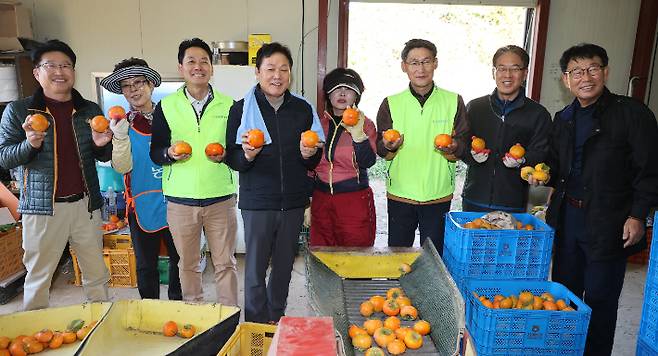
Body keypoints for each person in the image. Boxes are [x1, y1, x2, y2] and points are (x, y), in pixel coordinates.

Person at [530, 43, 658, 355]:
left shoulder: (632, 114)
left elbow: (650, 169)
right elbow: (556, 164)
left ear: (605, 72)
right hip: (568, 220)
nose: (585, 77)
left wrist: (638, 215)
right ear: (566, 79)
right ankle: (565, 350)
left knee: (600, 300)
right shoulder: (564, 117)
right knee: (564, 295)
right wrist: (541, 174)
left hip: (609, 221)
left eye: (593, 69)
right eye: (577, 71)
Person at [0, 40, 111, 310]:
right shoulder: (19, 111)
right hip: (42, 210)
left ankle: (100, 326)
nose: (60, 71)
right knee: (39, 277)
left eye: (66, 65)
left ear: (73, 71)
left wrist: (102, 144)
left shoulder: (90, 110)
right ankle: (33, 337)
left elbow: (103, 157)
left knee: (96, 275)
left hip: (86, 206)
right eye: (51, 65)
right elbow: (3, 157)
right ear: (37, 73)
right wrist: (31, 144)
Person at [225, 42, 323, 323]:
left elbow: (312, 160)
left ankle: (275, 318)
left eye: (284, 69)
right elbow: (231, 157)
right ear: (257, 72)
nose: (277, 75)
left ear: (290, 74)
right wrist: (246, 155)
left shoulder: (303, 109)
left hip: (293, 202)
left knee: (283, 267)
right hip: (258, 202)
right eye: (270, 69)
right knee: (255, 270)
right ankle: (256, 325)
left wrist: (309, 155)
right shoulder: (241, 109)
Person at [149, 38, 238, 306]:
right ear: (181, 67)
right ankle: (194, 315)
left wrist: (226, 155)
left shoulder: (230, 105)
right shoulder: (166, 106)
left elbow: (237, 151)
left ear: (212, 68)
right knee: (187, 264)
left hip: (220, 197)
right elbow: (156, 152)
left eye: (204, 61)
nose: (198, 67)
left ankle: (229, 317)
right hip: (180, 201)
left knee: (225, 263)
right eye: (191, 61)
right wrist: (169, 154)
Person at [100, 57, 182, 300]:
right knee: (146, 264)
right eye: (127, 85)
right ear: (122, 92)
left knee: (181, 259)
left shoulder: (172, 117)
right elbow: (122, 166)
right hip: (141, 203)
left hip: (176, 200)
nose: (134, 89)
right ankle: (150, 309)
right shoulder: (121, 124)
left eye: (139, 82)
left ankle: (178, 304)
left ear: (150, 85)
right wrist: (120, 137)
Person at [375, 38, 468, 253]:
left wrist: (453, 147)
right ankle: (395, 288)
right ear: (404, 66)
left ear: (435, 63)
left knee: (433, 258)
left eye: (426, 61)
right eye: (414, 62)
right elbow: (380, 147)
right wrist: (390, 146)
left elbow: (464, 143)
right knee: (397, 257)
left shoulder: (453, 100)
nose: (421, 69)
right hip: (400, 192)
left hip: (438, 193)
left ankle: (430, 289)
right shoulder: (391, 102)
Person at [461, 45, 551, 212]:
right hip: (474, 199)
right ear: (493, 72)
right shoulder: (475, 107)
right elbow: (462, 146)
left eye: (515, 69)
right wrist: (471, 155)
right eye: (502, 68)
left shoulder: (538, 114)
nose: (507, 75)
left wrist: (523, 160)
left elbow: (541, 151)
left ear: (525, 73)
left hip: (513, 203)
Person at [310, 68, 377, 246]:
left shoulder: (366, 124)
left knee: (356, 258)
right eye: (336, 88)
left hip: (353, 200)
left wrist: (358, 136)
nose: (341, 93)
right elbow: (309, 165)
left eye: (348, 88)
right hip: (321, 200)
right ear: (328, 94)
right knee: (322, 256)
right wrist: (306, 201)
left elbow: (368, 161)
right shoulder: (318, 124)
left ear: (357, 96)